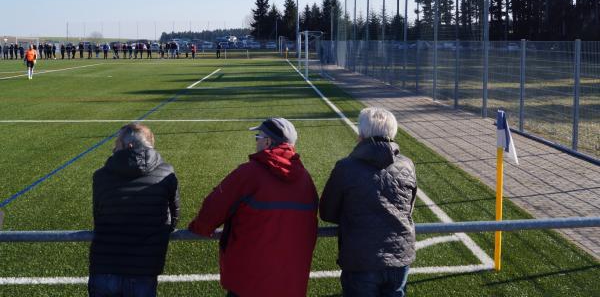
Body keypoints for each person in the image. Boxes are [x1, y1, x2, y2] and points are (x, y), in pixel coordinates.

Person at [188, 118, 317, 297]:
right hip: (291, 283)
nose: (256, 141)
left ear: (268, 142)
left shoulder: (248, 173)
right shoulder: (306, 179)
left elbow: (212, 209)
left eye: (258, 136)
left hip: (249, 282)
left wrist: (198, 228)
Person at [319, 107, 417, 297]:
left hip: (361, 259)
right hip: (400, 257)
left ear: (361, 134)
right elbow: (409, 207)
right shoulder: (407, 164)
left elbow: (327, 212)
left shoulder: (345, 167)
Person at [89, 123, 180, 297]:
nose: (114, 146)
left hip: (105, 266)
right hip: (144, 268)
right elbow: (174, 218)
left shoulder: (100, 176)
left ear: (129, 146)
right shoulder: (167, 173)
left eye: (117, 142)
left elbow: (98, 216)